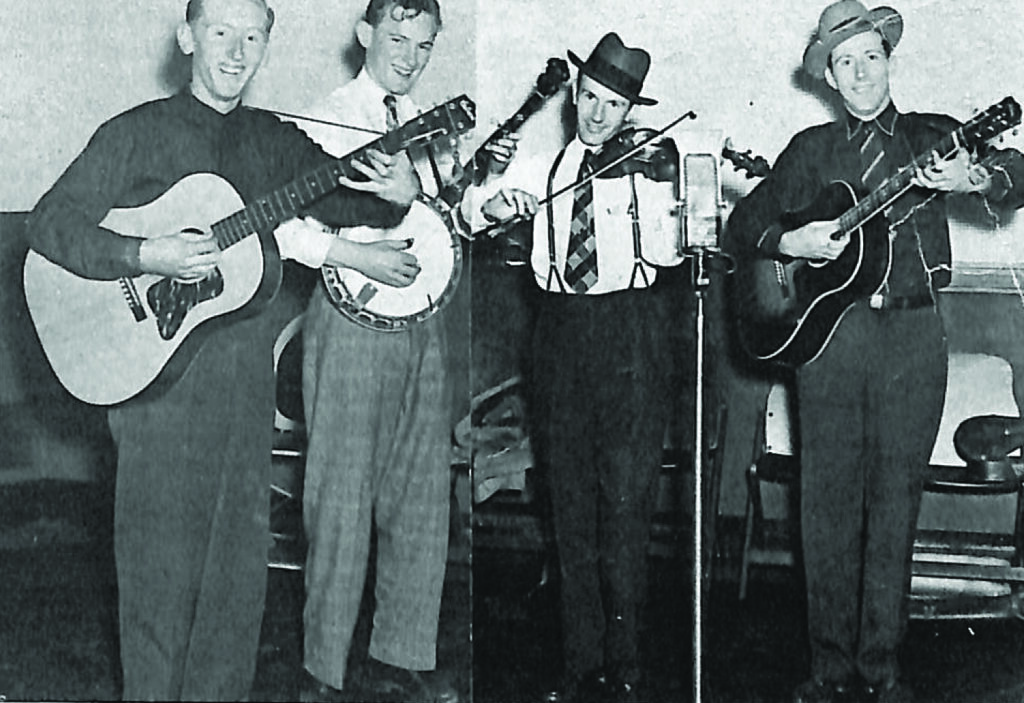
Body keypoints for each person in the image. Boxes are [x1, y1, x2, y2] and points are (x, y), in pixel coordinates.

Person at [23, 0, 421, 699]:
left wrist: (397, 194)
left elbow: (345, 197)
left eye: (252, 36)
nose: (236, 52)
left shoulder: (271, 139)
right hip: (153, 391)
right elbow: (50, 225)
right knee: (156, 581)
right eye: (220, 33)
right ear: (187, 39)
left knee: (235, 587)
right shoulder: (136, 133)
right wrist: (144, 253)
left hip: (242, 385)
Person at [724, 3, 1024, 702]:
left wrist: (973, 179)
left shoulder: (934, 136)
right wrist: (790, 241)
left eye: (871, 57)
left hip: (914, 339)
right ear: (829, 77)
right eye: (845, 62)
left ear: (890, 61)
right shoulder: (810, 151)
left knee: (894, 506)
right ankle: (829, 668)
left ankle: (882, 668)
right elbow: (747, 222)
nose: (860, 73)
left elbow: (1016, 172)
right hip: (833, 339)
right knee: (826, 506)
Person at [276, 1, 507, 700]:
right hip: (350, 322)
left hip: (426, 321)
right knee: (339, 495)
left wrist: (487, 200)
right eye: (398, 39)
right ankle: (323, 667)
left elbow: (448, 218)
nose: (409, 57)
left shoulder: (434, 125)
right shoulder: (324, 118)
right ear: (365, 35)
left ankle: (400, 654)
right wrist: (355, 254)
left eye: (424, 45)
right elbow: (282, 226)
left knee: (420, 493)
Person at [472, 32, 683, 703]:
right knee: (567, 503)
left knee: (624, 504)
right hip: (559, 333)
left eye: (612, 105)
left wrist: (661, 191)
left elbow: (671, 256)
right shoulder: (545, 166)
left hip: (630, 334)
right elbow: (480, 209)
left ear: (629, 112)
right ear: (574, 97)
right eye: (588, 97)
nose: (596, 114)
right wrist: (497, 204)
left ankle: (626, 665)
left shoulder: (645, 169)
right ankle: (579, 662)